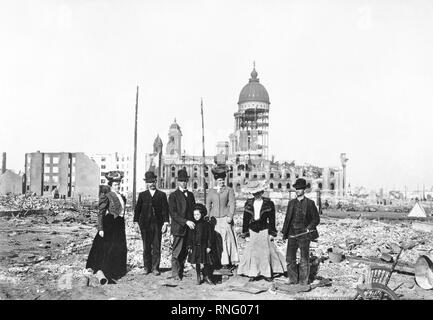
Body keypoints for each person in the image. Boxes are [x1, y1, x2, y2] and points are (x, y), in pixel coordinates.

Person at [237, 180, 286, 280]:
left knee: (265, 252)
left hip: (264, 229)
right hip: (252, 230)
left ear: (262, 192)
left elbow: (272, 219)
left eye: (258, 192)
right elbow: (245, 219)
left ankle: (267, 273)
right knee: (253, 252)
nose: (256, 195)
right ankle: (253, 273)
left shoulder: (268, 203)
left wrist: (272, 233)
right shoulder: (249, 203)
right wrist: (246, 234)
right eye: (254, 193)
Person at [86, 171, 127, 283]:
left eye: (119, 184)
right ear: (111, 185)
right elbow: (101, 213)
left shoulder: (122, 197)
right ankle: (105, 271)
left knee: (119, 247)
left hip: (119, 224)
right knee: (108, 248)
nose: (117, 186)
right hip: (110, 224)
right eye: (115, 185)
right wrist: (100, 228)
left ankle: (117, 271)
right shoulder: (107, 196)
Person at [282, 178, 320, 286]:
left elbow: (316, 219)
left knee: (304, 259)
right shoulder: (291, 203)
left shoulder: (310, 203)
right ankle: (292, 279)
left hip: (304, 234)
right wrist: (284, 233)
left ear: (304, 189)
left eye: (300, 188)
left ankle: (303, 281)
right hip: (292, 234)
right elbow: (287, 219)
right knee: (290, 258)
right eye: (296, 189)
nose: (298, 190)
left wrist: (309, 228)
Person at [133, 171, 169, 275]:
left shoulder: (161, 195)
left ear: (156, 182)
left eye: (153, 181)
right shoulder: (142, 195)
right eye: (149, 182)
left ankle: (155, 268)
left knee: (157, 246)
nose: (152, 184)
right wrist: (136, 222)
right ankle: (146, 267)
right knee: (146, 246)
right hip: (145, 225)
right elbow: (137, 209)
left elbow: (165, 210)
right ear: (146, 183)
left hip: (158, 225)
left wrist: (165, 223)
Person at [205, 166, 239, 272]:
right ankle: (216, 262)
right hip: (214, 220)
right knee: (214, 240)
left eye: (223, 180)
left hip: (225, 218)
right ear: (215, 180)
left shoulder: (229, 190)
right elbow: (207, 206)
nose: (221, 182)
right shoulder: (211, 191)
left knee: (226, 240)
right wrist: (208, 217)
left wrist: (230, 216)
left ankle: (226, 262)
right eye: (219, 180)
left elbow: (232, 203)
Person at [168, 169, 196, 280]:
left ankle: (181, 271)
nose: (184, 183)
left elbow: (194, 210)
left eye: (185, 180)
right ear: (178, 181)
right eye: (181, 180)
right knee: (176, 252)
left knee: (185, 251)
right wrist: (185, 222)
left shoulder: (191, 195)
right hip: (178, 228)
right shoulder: (173, 196)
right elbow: (173, 214)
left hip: (189, 229)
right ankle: (175, 274)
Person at [187, 203, 214, 285]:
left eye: (198, 214)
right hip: (195, 247)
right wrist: (189, 246)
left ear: (202, 214)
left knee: (205, 262)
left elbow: (210, 236)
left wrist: (209, 246)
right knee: (197, 262)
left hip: (204, 247)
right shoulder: (192, 225)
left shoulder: (206, 225)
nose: (196, 216)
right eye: (194, 215)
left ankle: (206, 276)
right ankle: (198, 276)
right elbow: (189, 237)